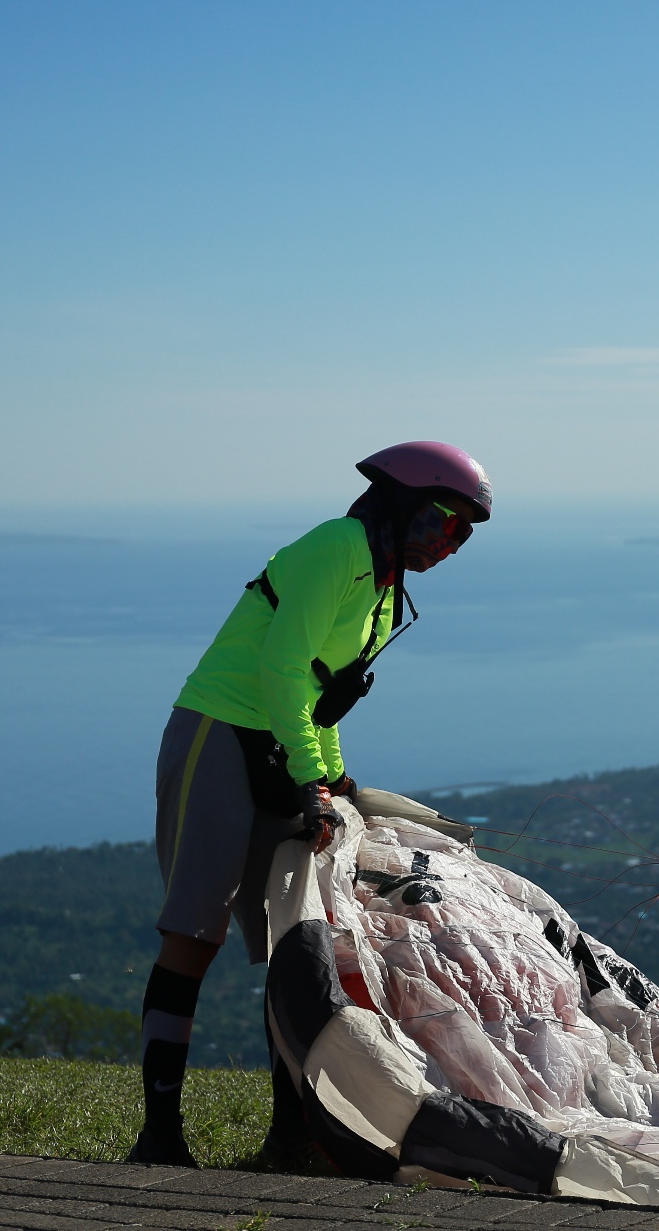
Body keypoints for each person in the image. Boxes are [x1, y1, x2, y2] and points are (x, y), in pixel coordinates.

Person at [128, 441, 492, 1168]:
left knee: (298, 945)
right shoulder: (339, 547)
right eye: (444, 522)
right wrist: (309, 780)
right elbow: (281, 666)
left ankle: (290, 1137)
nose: (449, 543)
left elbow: (321, 698)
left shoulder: (387, 592)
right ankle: (160, 1136)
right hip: (221, 731)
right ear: (402, 503)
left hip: (282, 750)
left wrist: (332, 776)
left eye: (462, 534)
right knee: (194, 936)